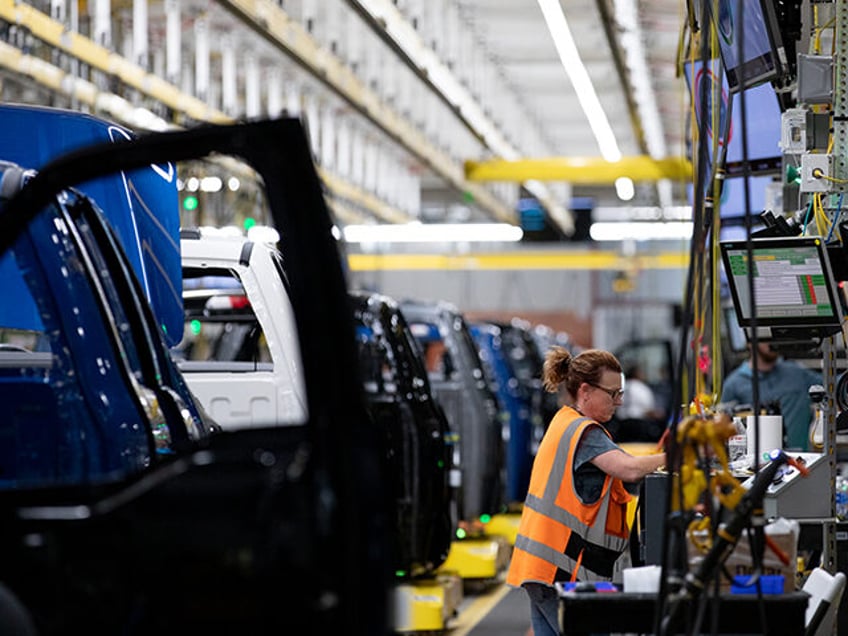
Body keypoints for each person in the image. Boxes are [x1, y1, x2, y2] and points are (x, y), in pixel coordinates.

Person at [506, 346, 666, 636]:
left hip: (541, 568)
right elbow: (629, 469)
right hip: (560, 572)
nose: (618, 402)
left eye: (621, 393)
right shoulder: (586, 434)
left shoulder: (563, 422)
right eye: (612, 393)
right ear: (586, 391)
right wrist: (679, 454)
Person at [721, 342, 822, 451]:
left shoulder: (797, 374)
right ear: (750, 342)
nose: (771, 342)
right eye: (764, 336)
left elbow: (833, 385)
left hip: (801, 461)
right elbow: (724, 432)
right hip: (756, 464)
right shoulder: (734, 385)